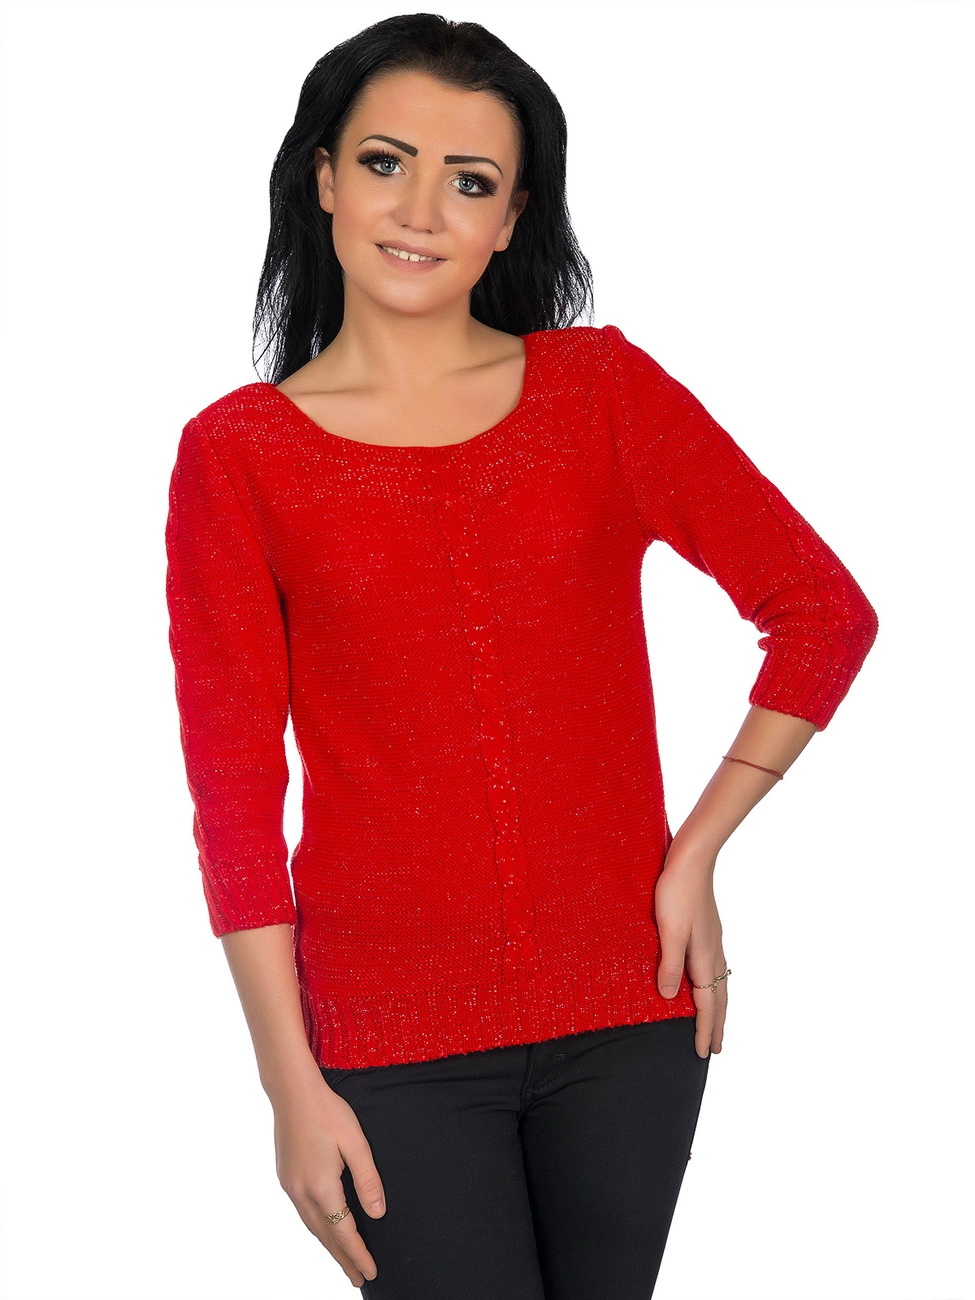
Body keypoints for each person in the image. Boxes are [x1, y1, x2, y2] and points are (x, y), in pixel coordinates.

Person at [164, 14, 879, 1299]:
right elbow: (233, 798)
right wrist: (287, 1083)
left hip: (630, 1010)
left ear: (511, 219)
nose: (419, 209)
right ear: (322, 178)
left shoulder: (601, 393)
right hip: (386, 1041)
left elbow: (823, 611)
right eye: (385, 162)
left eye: (470, 180)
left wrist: (695, 851)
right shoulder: (239, 456)